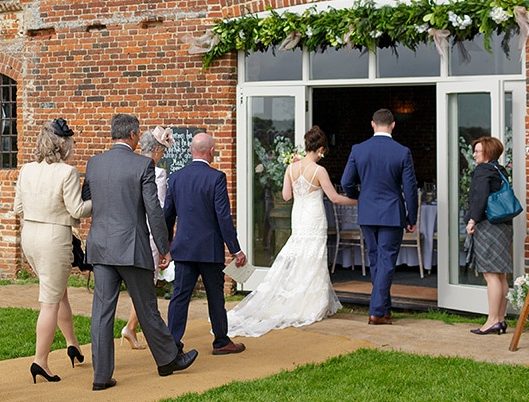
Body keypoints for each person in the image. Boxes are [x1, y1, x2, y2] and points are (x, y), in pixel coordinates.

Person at [82, 113, 195, 390]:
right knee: (147, 308)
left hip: (101, 247)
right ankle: (168, 360)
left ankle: (101, 376)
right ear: (133, 136)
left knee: (102, 312)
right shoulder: (142, 164)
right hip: (132, 247)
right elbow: (154, 212)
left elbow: (87, 198)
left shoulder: (94, 164)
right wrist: (165, 248)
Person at [226, 126, 356, 337]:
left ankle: (296, 298)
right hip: (314, 216)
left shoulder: (290, 168)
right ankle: (313, 304)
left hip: (299, 216)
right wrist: (358, 201)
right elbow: (334, 198)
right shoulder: (319, 170)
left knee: (300, 255)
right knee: (314, 257)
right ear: (320, 148)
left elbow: (286, 196)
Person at [13, 119, 93, 383]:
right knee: (49, 301)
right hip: (54, 238)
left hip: (30, 236)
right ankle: (41, 361)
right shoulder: (67, 172)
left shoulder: (26, 169)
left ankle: (72, 344)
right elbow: (77, 210)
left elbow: (18, 208)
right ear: (63, 144)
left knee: (58, 294)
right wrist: (98, 199)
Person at [163, 132, 248, 354]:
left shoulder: (177, 177)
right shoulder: (216, 177)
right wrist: (236, 250)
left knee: (180, 298)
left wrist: (167, 247)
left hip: (183, 249)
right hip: (209, 250)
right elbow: (223, 217)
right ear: (211, 151)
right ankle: (221, 341)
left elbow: (167, 216)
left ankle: (173, 344)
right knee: (215, 297)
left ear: (192, 150)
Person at [341, 108, 419, 325]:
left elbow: (346, 182)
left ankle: (384, 309)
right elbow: (410, 189)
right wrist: (412, 217)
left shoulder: (359, 149)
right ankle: (376, 311)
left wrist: (360, 197)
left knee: (376, 260)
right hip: (392, 214)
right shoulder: (402, 152)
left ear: (373, 124)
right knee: (385, 261)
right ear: (393, 125)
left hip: (367, 213)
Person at [120, 126, 174, 350]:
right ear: (159, 150)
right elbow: (157, 209)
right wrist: (164, 244)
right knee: (147, 285)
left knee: (144, 285)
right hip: (149, 235)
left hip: (127, 232)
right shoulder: (157, 173)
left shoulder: (129, 167)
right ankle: (136, 329)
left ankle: (131, 327)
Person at [465, 136, 514, 335]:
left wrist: (472, 220)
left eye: (478, 151)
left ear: (488, 153)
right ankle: (500, 319)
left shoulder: (483, 170)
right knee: (500, 275)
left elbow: (480, 197)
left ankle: (492, 320)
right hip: (503, 226)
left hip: (489, 226)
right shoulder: (499, 170)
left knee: (490, 275)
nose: (474, 154)